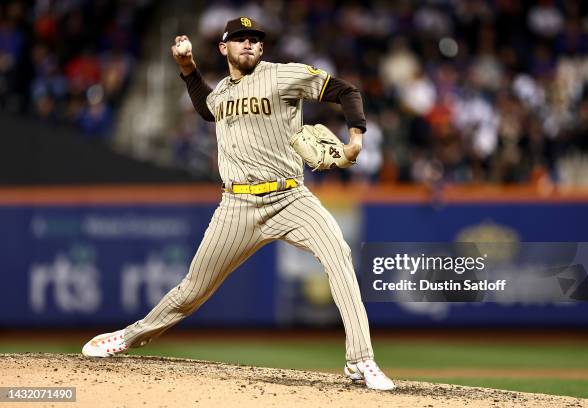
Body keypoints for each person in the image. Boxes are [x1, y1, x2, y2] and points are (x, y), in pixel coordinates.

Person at [82, 17, 395, 391]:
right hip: (237, 206)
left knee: (339, 255)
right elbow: (206, 108)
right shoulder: (222, 95)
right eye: (240, 39)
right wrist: (187, 68)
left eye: (255, 40)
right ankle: (128, 337)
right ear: (224, 48)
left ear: (262, 49)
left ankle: (361, 360)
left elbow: (347, 91)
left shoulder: (283, 76)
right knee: (192, 290)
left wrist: (356, 138)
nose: (248, 44)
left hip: (290, 197)